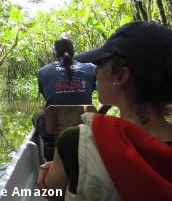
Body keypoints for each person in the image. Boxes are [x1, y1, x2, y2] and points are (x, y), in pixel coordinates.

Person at [37, 21, 172, 201]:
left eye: (100, 63)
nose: (94, 72)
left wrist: (65, 165)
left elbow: (51, 192)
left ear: (121, 75)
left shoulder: (73, 142)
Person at [37, 38, 95, 107]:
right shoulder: (91, 68)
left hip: (55, 117)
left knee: (39, 113)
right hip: (86, 117)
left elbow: (49, 97)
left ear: (54, 54)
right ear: (73, 52)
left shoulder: (43, 72)